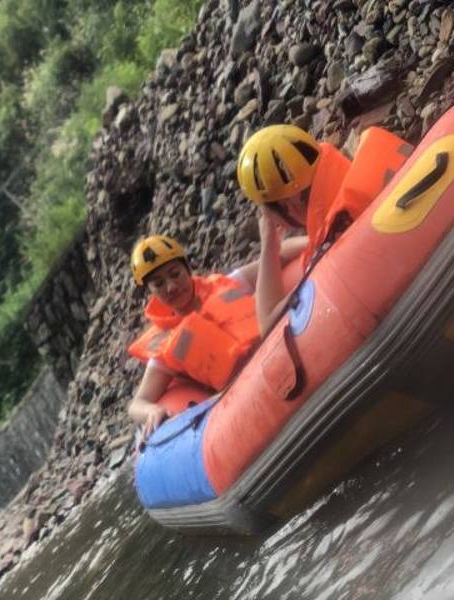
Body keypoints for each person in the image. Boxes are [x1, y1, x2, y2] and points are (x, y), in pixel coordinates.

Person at [237, 124, 412, 335]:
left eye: (266, 212)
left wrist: (268, 242)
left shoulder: (327, 249)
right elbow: (307, 243)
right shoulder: (359, 169)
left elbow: (267, 324)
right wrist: (281, 249)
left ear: (287, 206)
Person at [126, 234, 306, 438]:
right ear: (150, 292)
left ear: (187, 268)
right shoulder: (166, 342)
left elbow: (276, 255)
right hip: (248, 394)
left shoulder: (226, 284)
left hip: (283, 351)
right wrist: (151, 411)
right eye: (158, 284)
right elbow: (136, 404)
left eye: (175, 274)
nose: (171, 287)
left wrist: (312, 240)